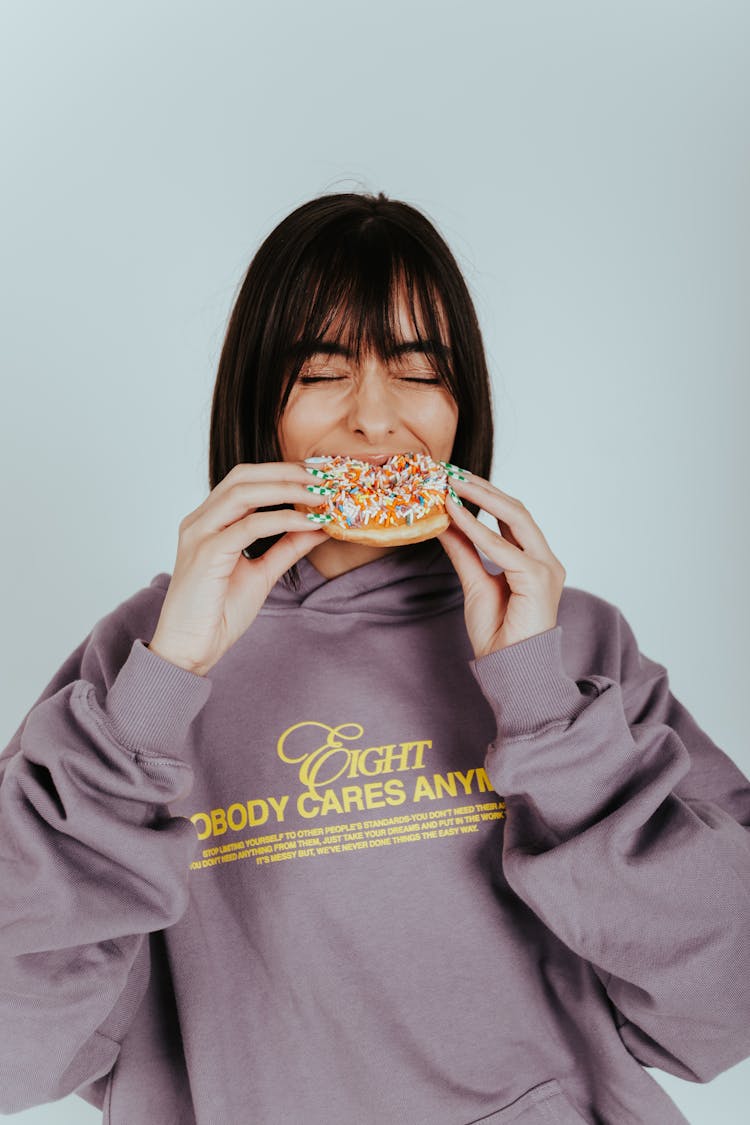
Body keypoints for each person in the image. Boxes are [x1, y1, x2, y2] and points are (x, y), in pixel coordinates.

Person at [0, 191, 748, 1125]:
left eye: (417, 372)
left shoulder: (570, 642)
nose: (375, 420)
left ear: (461, 402)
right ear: (256, 400)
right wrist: (158, 691)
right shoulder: (137, 660)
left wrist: (545, 713)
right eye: (320, 372)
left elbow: (730, 997)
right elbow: (16, 1043)